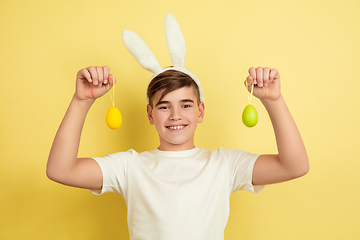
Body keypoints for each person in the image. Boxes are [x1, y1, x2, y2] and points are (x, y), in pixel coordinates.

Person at [47, 65, 309, 240]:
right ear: (150, 114)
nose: (175, 115)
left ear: (201, 112)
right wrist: (82, 101)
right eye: (164, 107)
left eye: (185, 104)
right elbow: (61, 170)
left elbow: (294, 166)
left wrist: (273, 100)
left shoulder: (224, 164)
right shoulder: (130, 166)